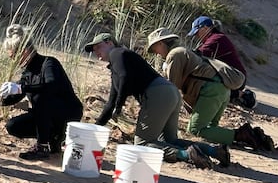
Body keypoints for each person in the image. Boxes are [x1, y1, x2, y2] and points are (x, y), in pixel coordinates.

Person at [84, 32, 216, 169]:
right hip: (170, 92)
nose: (96, 52)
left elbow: (124, 78)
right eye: (94, 51)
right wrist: (93, 128)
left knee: (143, 144)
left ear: (109, 42)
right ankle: (214, 151)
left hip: (157, 93)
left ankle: (187, 154)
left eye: (98, 47)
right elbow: (110, 103)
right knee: (169, 140)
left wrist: (119, 106)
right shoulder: (118, 63)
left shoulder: (116, 53)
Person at [0, 24, 83, 161]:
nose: (13, 60)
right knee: (13, 126)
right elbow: (14, 98)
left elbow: (50, 85)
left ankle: (42, 146)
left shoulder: (49, 63)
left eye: (14, 56)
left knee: (41, 98)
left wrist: (21, 88)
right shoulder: (27, 72)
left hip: (68, 114)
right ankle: (53, 139)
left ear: (25, 51)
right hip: (48, 117)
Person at [145, 28, 232, 167]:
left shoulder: (175, 54)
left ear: (161, 43)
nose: (155, 52)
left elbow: (171, 87)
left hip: (211, 91)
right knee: (210, 128)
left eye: (155, 48)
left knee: (196, 129)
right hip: (221, 89)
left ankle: (240, 136)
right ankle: (218, 151)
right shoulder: (182, 51)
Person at [189, 16, 252, 107]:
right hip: (231, 75)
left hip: (235, 77)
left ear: (205, 28)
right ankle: (237, 94)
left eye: (197, 33)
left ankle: (243, 95)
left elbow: (196, 56)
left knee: (212, 91)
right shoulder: (214, 38)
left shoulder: (216, 39)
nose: (197, 36)